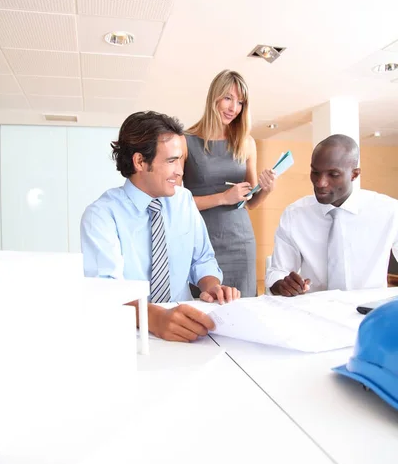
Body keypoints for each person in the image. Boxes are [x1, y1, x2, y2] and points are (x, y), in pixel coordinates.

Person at [81, 111, 240, 342]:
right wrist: (156, 318)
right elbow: (107, 291)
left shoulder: (184, 200)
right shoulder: (101, 216)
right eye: (171, 161)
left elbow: (202, 260)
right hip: (131, 333)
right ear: (139, 162)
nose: (181, 171)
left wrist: (212, 286)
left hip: (186, 328)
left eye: (181, 160)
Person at [182, 70, 276, 298]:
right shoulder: (185, 141)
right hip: (200, 241)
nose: (234, 108)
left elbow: (251, 202)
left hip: (240, 241)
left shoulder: (246, 142)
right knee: (202, 312)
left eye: (240, 102)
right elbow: (176, 202)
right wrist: (224, 198)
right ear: (213, 97)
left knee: (243, 311)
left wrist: (266, 189)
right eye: (228, 98)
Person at [266, 134, 398, 296]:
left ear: (354, 174)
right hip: (312, 312)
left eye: (333, 175)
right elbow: (277, 272)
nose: (320, 183)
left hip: (369, 314)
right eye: (315, 172)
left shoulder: (389, 211)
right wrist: (282, 284)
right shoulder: (295, 215)